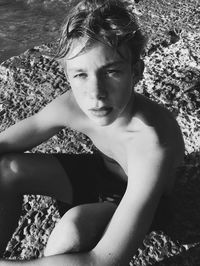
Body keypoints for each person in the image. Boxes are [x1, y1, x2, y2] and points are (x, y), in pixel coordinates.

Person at [0, 0, 184, 265]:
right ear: (66, 75)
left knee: (72, 230)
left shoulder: (151, 142)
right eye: (81, 75)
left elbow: (104, 260)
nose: (95, 93)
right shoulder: (72, 105)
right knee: (7, 169)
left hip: (142, 200)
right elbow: (6, 143)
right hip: (99, 174)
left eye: (111, 72)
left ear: (136, 72)